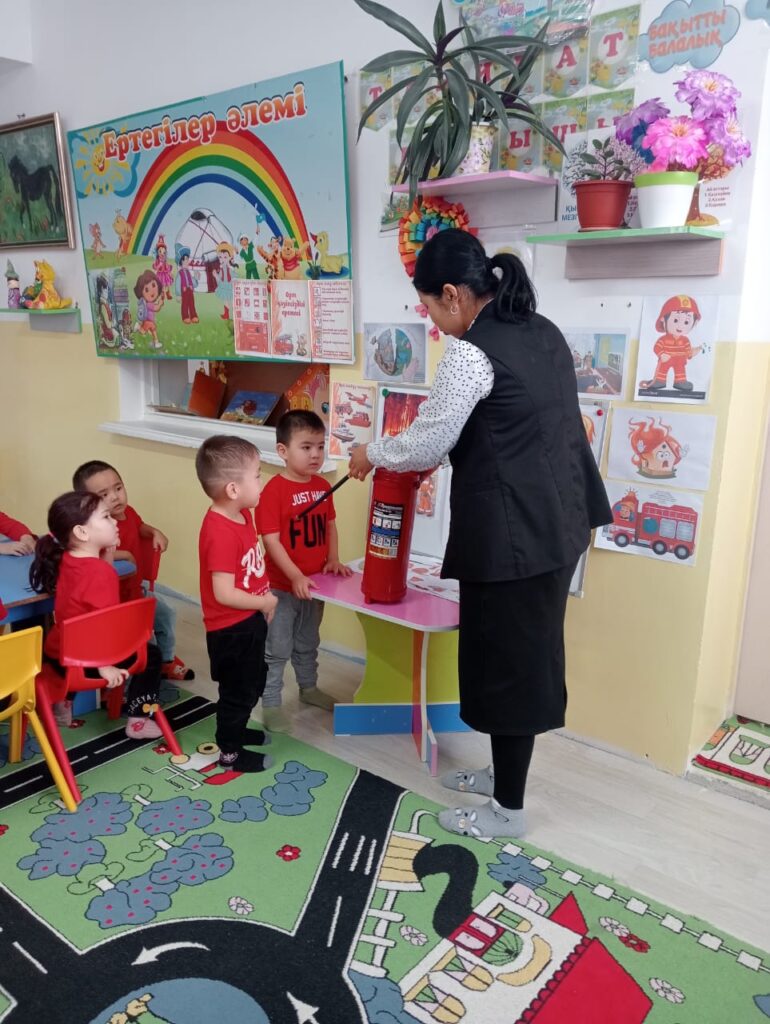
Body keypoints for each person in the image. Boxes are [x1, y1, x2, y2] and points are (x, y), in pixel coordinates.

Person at [348, 229, 612, 840]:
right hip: (560, 521)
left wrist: (372, 452)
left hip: (517, 535)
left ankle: (508, 811)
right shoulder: (541, 329)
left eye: (430, 309)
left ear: (452, 294)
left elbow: (427, 441)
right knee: (514, 658)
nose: (434, 323)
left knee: (510, 669)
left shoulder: (471, 354)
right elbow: (508, 424)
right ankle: (501, 775)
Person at [29, 491, 163, 738]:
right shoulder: (101, 574)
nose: (114, 522)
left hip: (59, 653)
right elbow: (102, 625)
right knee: (152, 656)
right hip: (86, 661)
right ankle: (138, 720)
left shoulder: (67, 559)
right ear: (82, 532)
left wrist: (107, 554)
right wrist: (105, 666)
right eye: (106, 517)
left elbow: (92, 599)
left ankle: (64, 700)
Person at [258, 410, 351, 733]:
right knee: (277, 648)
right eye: (306, 447)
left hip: (316, 585)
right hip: (280, 588)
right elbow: (271, 540)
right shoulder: (273, 491)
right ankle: (271, 703)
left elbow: (330, 525)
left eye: (320, 447)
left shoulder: (323, 484)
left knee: (308, 640)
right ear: (283, 451)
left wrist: (333, 558)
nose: (315, 454)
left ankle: (308, 688)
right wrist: (295, 575)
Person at [195, 435, 277, 773]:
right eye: (257, 475)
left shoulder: (244, 515)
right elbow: (224, 593)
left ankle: (238, 731)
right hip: (230, 631)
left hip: (249, 621)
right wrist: (265, 601)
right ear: (233, 489)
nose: (261, 481)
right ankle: (229, 753)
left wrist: (261, 606)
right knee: (237, 691)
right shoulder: (219, 532)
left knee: (254, 681)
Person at [72, 460, 194, 683]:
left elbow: (139, 526)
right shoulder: (90, 527)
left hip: (136, 591)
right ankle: (138, 677)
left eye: (118, 488)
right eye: (104, 495)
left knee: (166, 614)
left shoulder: (128, 512)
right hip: (114, 602)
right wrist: (124, 554)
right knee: (144, 641)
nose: (115, 497)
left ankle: (166, 662)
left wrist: (154, 532)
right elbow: (90, 552)